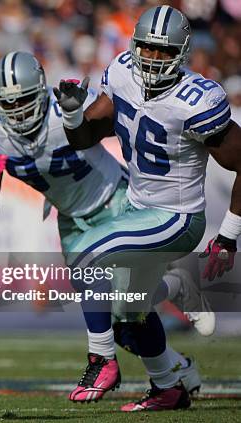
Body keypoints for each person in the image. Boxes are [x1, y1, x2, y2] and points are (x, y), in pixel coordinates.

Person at [0, 50, 208, 409]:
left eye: (25, 101)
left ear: (43, 91)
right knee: (124, 324)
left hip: (117, 204)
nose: (16, 112)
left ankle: (118, 362)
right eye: (8, 104)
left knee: (128, 308)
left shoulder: (68, 107)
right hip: (71, 220)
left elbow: (130, 132)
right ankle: (175, 368)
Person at [54, 5, 240, 411]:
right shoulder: (122, 74)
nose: (153, 58)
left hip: (177, 219)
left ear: (183, 51)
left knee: (86, 254)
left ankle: (101, 362)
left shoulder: (197, 99)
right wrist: (71, 112)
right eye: (147, 49)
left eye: (163, 51)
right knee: (124, 316)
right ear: (134, 46)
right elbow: (86, 138)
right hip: (136, 210)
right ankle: (168, 386)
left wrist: (228, 236)